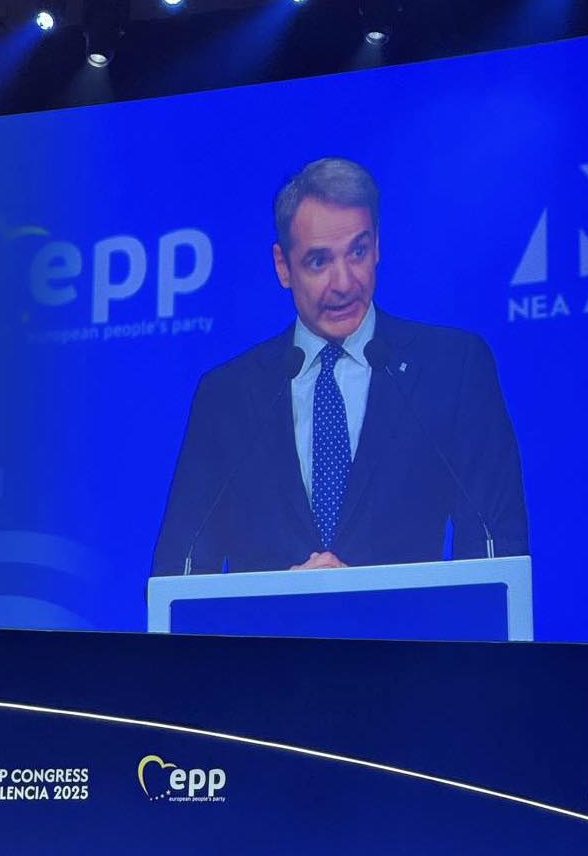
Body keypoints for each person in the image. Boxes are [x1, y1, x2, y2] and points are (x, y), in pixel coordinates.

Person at [152, 157, 528, 575]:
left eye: (358, 252)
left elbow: (499, 553)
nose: (345, 283)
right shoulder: (227, 396)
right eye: (319, 261)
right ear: (283, 266)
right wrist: (281, 598)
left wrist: (368, 600)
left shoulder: (452, 368)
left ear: (378, 246)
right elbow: (177, 574)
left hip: (409, 622)